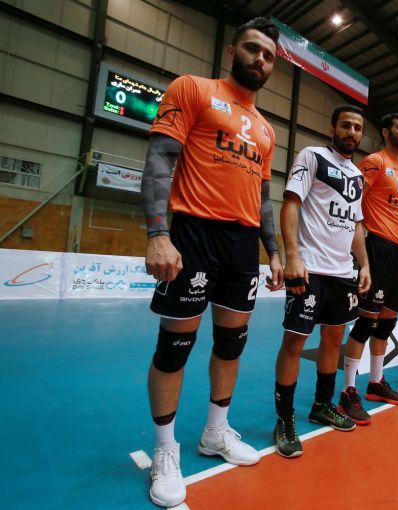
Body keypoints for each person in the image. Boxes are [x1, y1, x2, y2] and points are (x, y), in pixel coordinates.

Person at [140, 18, 283, 508]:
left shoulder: (266, 129)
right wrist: (158, 234)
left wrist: (274, 251)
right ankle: (165, 450)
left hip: (243, 244)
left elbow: (264, 198)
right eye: (253, 49)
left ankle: (215, 432)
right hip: (194, 233)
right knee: (174, 347)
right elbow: (159, 161)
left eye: (269, 55)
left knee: (231, 343)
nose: (260, 59)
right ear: (231, 50)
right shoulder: (193, 89)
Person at [274, 104, 372, 457]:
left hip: (343, 273)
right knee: (295, 342)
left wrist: (364, 264)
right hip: (310, 268)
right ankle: (284, 419)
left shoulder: (358, 176)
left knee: (333, 339)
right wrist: (292, 256)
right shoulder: (312, 156)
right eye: (345, 125)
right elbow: (291, 203)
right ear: (332, 127)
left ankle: (322, 405)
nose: (352, 132)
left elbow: (356, 224)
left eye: (357, 127)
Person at [338, 113, 398, 425]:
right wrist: (359, 247)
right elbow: (353, 201)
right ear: (385, 132)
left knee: (387, 321)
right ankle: (348, 390)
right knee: (367, 321)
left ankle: (375, 383)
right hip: (378, 247)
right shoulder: (374, 162)